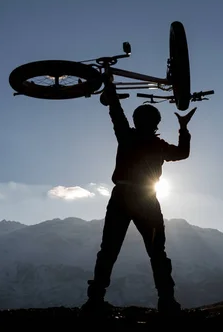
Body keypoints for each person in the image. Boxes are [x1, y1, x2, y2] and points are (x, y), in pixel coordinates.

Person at [81, 73, 197, 315]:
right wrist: (183, 128)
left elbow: (116, 114)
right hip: (147, 200)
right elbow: (183, 154)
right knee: (157, 253)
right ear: (156, 123)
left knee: (108, 250)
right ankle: (167, 301)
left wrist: (110, 89)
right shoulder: (159, 146)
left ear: (136, 121)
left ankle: (95, 301)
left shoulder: (127, 137)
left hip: (121, 196)